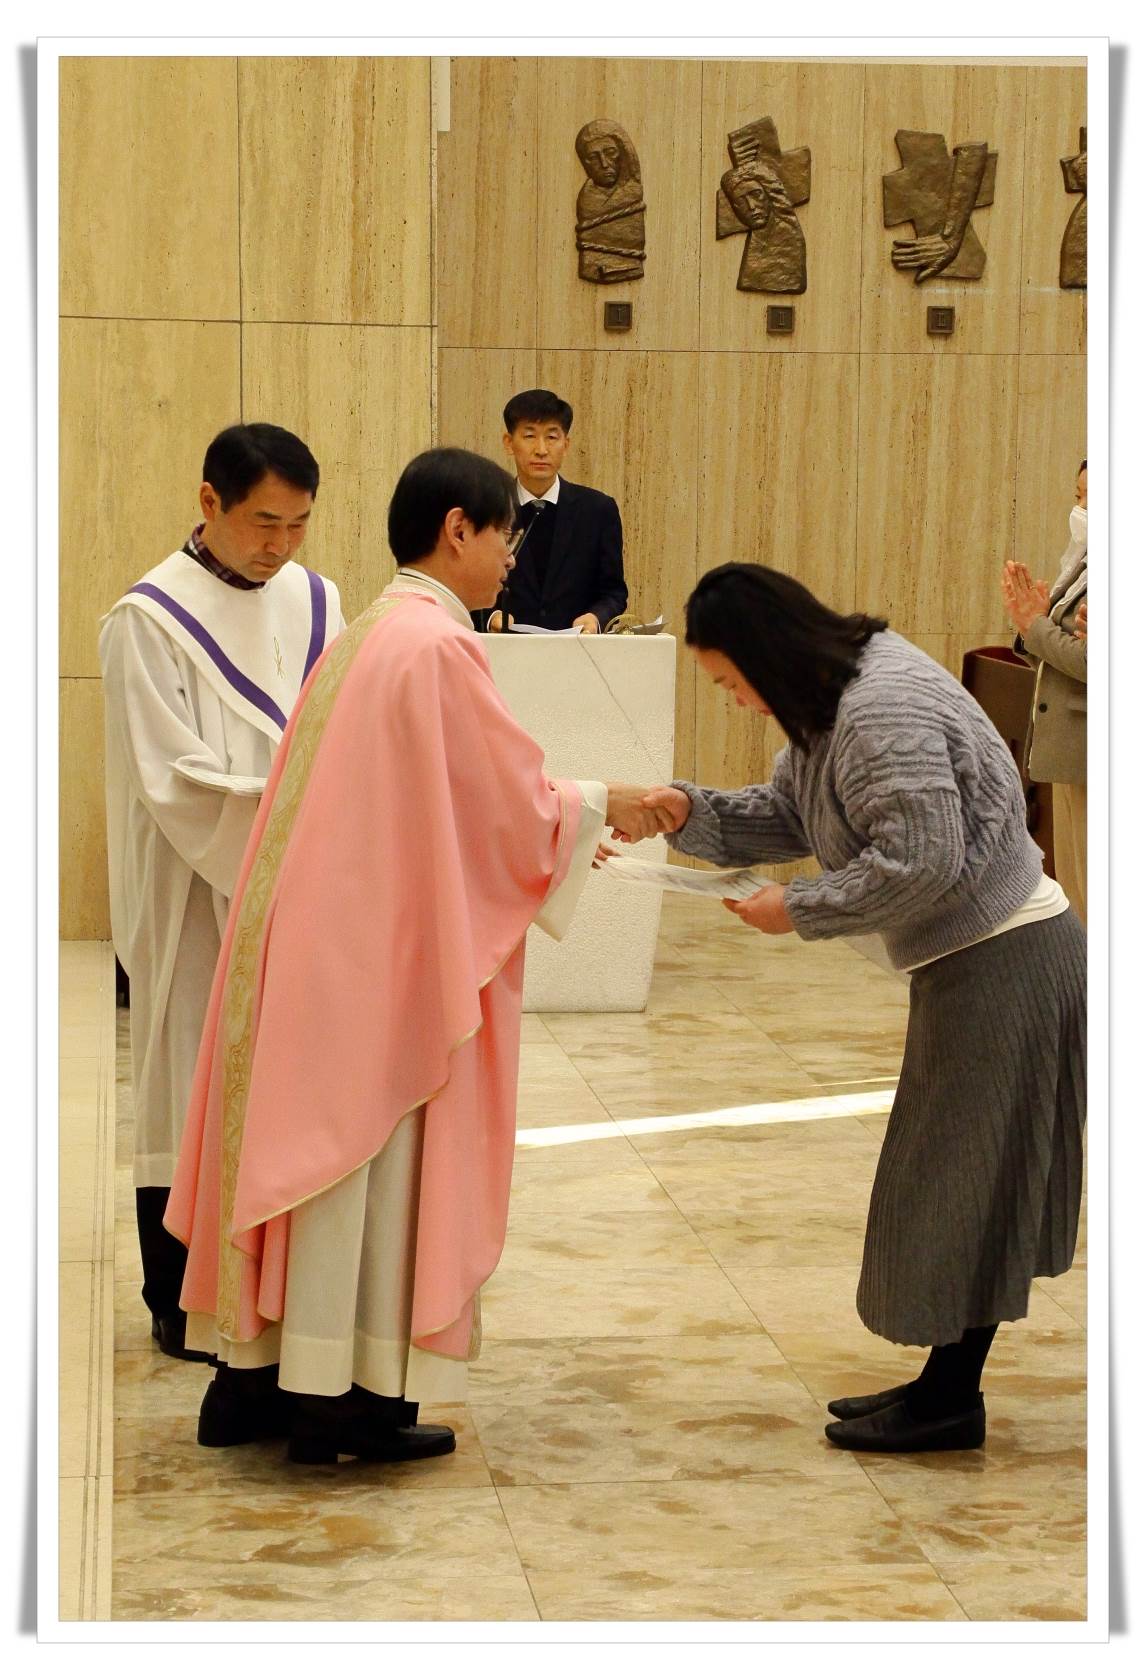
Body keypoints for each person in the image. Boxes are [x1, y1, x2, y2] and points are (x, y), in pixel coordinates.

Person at [165, 447, 652, 1465]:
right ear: (458, 529)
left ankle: (252, 1380)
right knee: (360, 1168)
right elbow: (502, 803)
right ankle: (336, 1403)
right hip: (372, 960)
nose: (512, 560)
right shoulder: (433, 644)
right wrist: (597, 806)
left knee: (308, 1169)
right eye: (504, 536)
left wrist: (564, 818)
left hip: (318, 939)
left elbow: (445, 800)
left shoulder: (369, 633)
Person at [618, 563, 1086, 1455]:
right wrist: (687, 811)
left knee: (965, 1183)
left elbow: (921, 861)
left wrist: (799, 908)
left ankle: (950, 1400)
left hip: (1009, 958)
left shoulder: (880, 707)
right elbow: (793, 814)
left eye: (731, 681)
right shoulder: (832, 699)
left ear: (765, 652)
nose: (735, 700)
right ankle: (944, 1387)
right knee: (951, 1178)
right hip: (977, 959)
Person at [99, 423, 342, 1362]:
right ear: (210, 503)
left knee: (282, 1083)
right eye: (263, 522)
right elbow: (174, 781)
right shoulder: (148, 619)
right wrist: (291, 832)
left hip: (294, 886)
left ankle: (265, 1292)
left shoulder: (317, 602)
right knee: (189, 1071)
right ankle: (177, 1296)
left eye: (298, 524)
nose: (280, 546)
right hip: (194, 887)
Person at [1002, 460, 1088, 924]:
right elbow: (1062, 655)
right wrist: (1030, 628)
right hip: (1069, 750)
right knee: (1075, 892)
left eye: (1091, 497)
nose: (1081, 508)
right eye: (1078, 496)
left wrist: (1035, 627)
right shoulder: (1084, 563)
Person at [475, 388, 628, 635]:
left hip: (577, 649)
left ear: (566, 445)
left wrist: (596, 618)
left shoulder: (598, 510)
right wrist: (492, 615)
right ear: (509, 443)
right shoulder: (486, 508)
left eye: (552, 437)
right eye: (529, 436)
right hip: (506, 649)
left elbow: (613, 592)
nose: (541, 449)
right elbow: (467, 582)